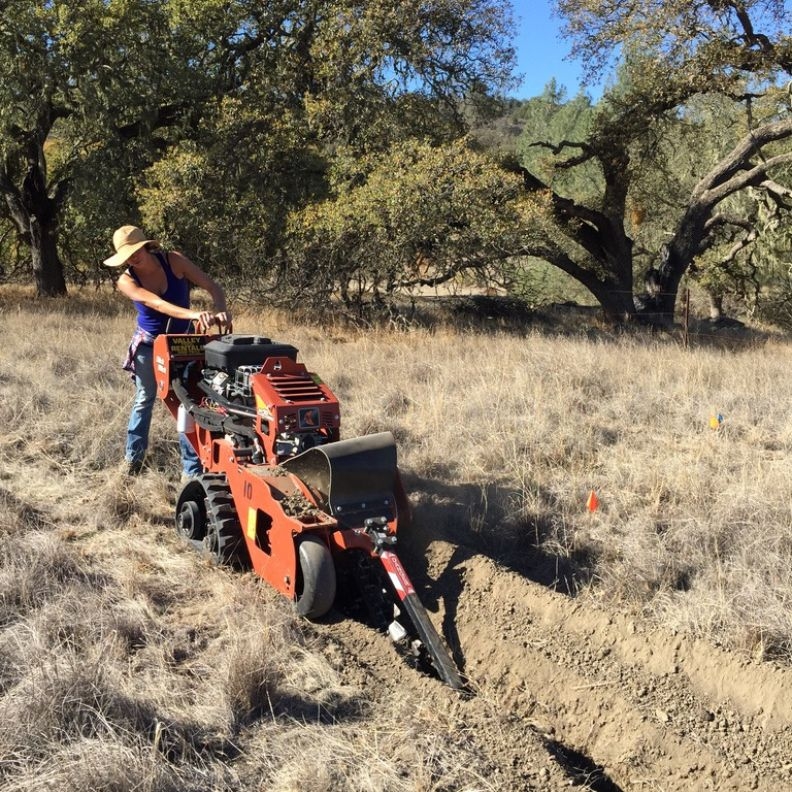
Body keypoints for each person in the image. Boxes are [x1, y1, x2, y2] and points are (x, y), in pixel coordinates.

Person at [103, 225, 232, 478]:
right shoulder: (127, 281)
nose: (133, 257)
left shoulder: (174, 261)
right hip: (150, 345)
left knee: (190, 401)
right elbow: (158, 304)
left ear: (145, 245)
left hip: (184, 345)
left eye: (136, 250)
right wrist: (195, 314)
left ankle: (192, 471)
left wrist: (220, 309)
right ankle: (134, 459)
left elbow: (213, 286)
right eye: (127, 254)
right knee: (145, 398)